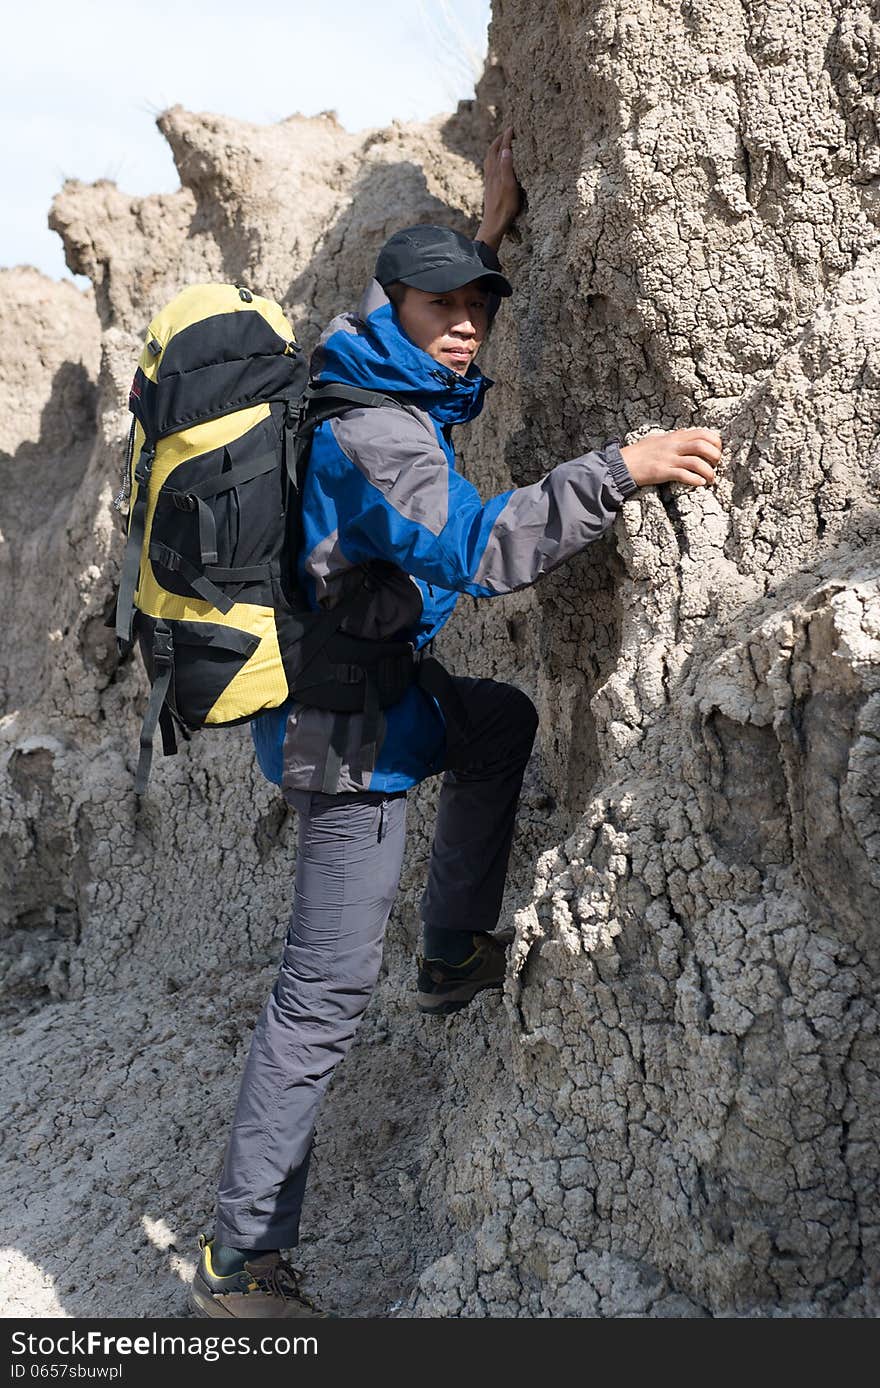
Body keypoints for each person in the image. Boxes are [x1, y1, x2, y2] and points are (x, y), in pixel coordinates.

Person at [188, 129, 722, 1318]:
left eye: (479, 303)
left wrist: (482, 236)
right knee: (320, 994)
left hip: (383, 689)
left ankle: (448, 952)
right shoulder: (369, 432)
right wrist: (618, 468)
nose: (469, 321)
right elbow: (479, 548)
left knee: (498, 723)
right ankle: (240, 1260)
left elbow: (439, 364)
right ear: (395, 307)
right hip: (345, 739)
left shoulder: (359, 353)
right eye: (447, 304)